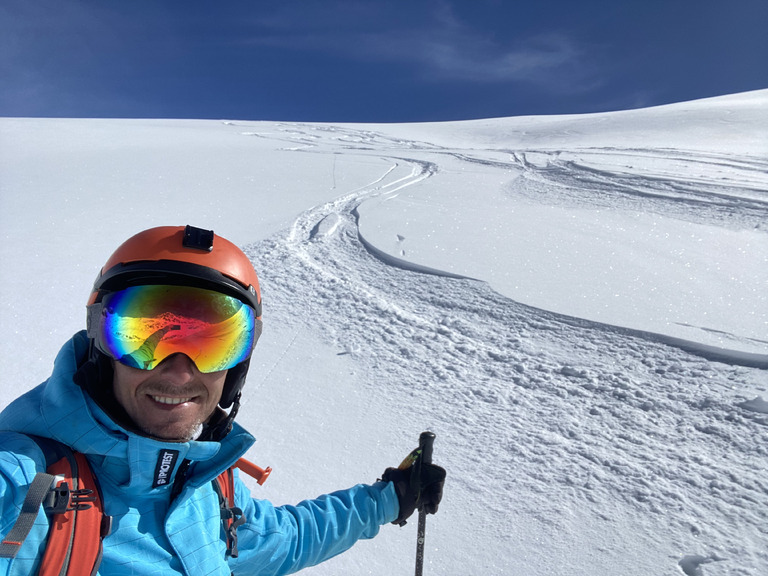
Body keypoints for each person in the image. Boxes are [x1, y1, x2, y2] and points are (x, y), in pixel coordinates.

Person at [0, 225, 445, 575]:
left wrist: (391, 498)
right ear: (99, 343)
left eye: (214, 344)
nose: (178, 371)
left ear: (237, 371)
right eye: (141, 337)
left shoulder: (205, 487)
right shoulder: (22, 488)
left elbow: (281, 540)